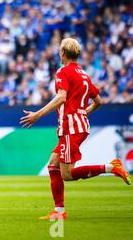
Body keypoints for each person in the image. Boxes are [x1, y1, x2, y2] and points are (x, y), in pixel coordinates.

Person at [20, 38, 131, 220]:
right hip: (76, 125)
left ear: (63, 53)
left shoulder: (63, 72)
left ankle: (111, 167)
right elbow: (99, 101)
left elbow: (61, 97)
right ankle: (59, 212)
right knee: (53, 165)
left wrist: (37, 115)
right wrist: (83, 113)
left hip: (71, 127)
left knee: (67, 175)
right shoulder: (84, 74)